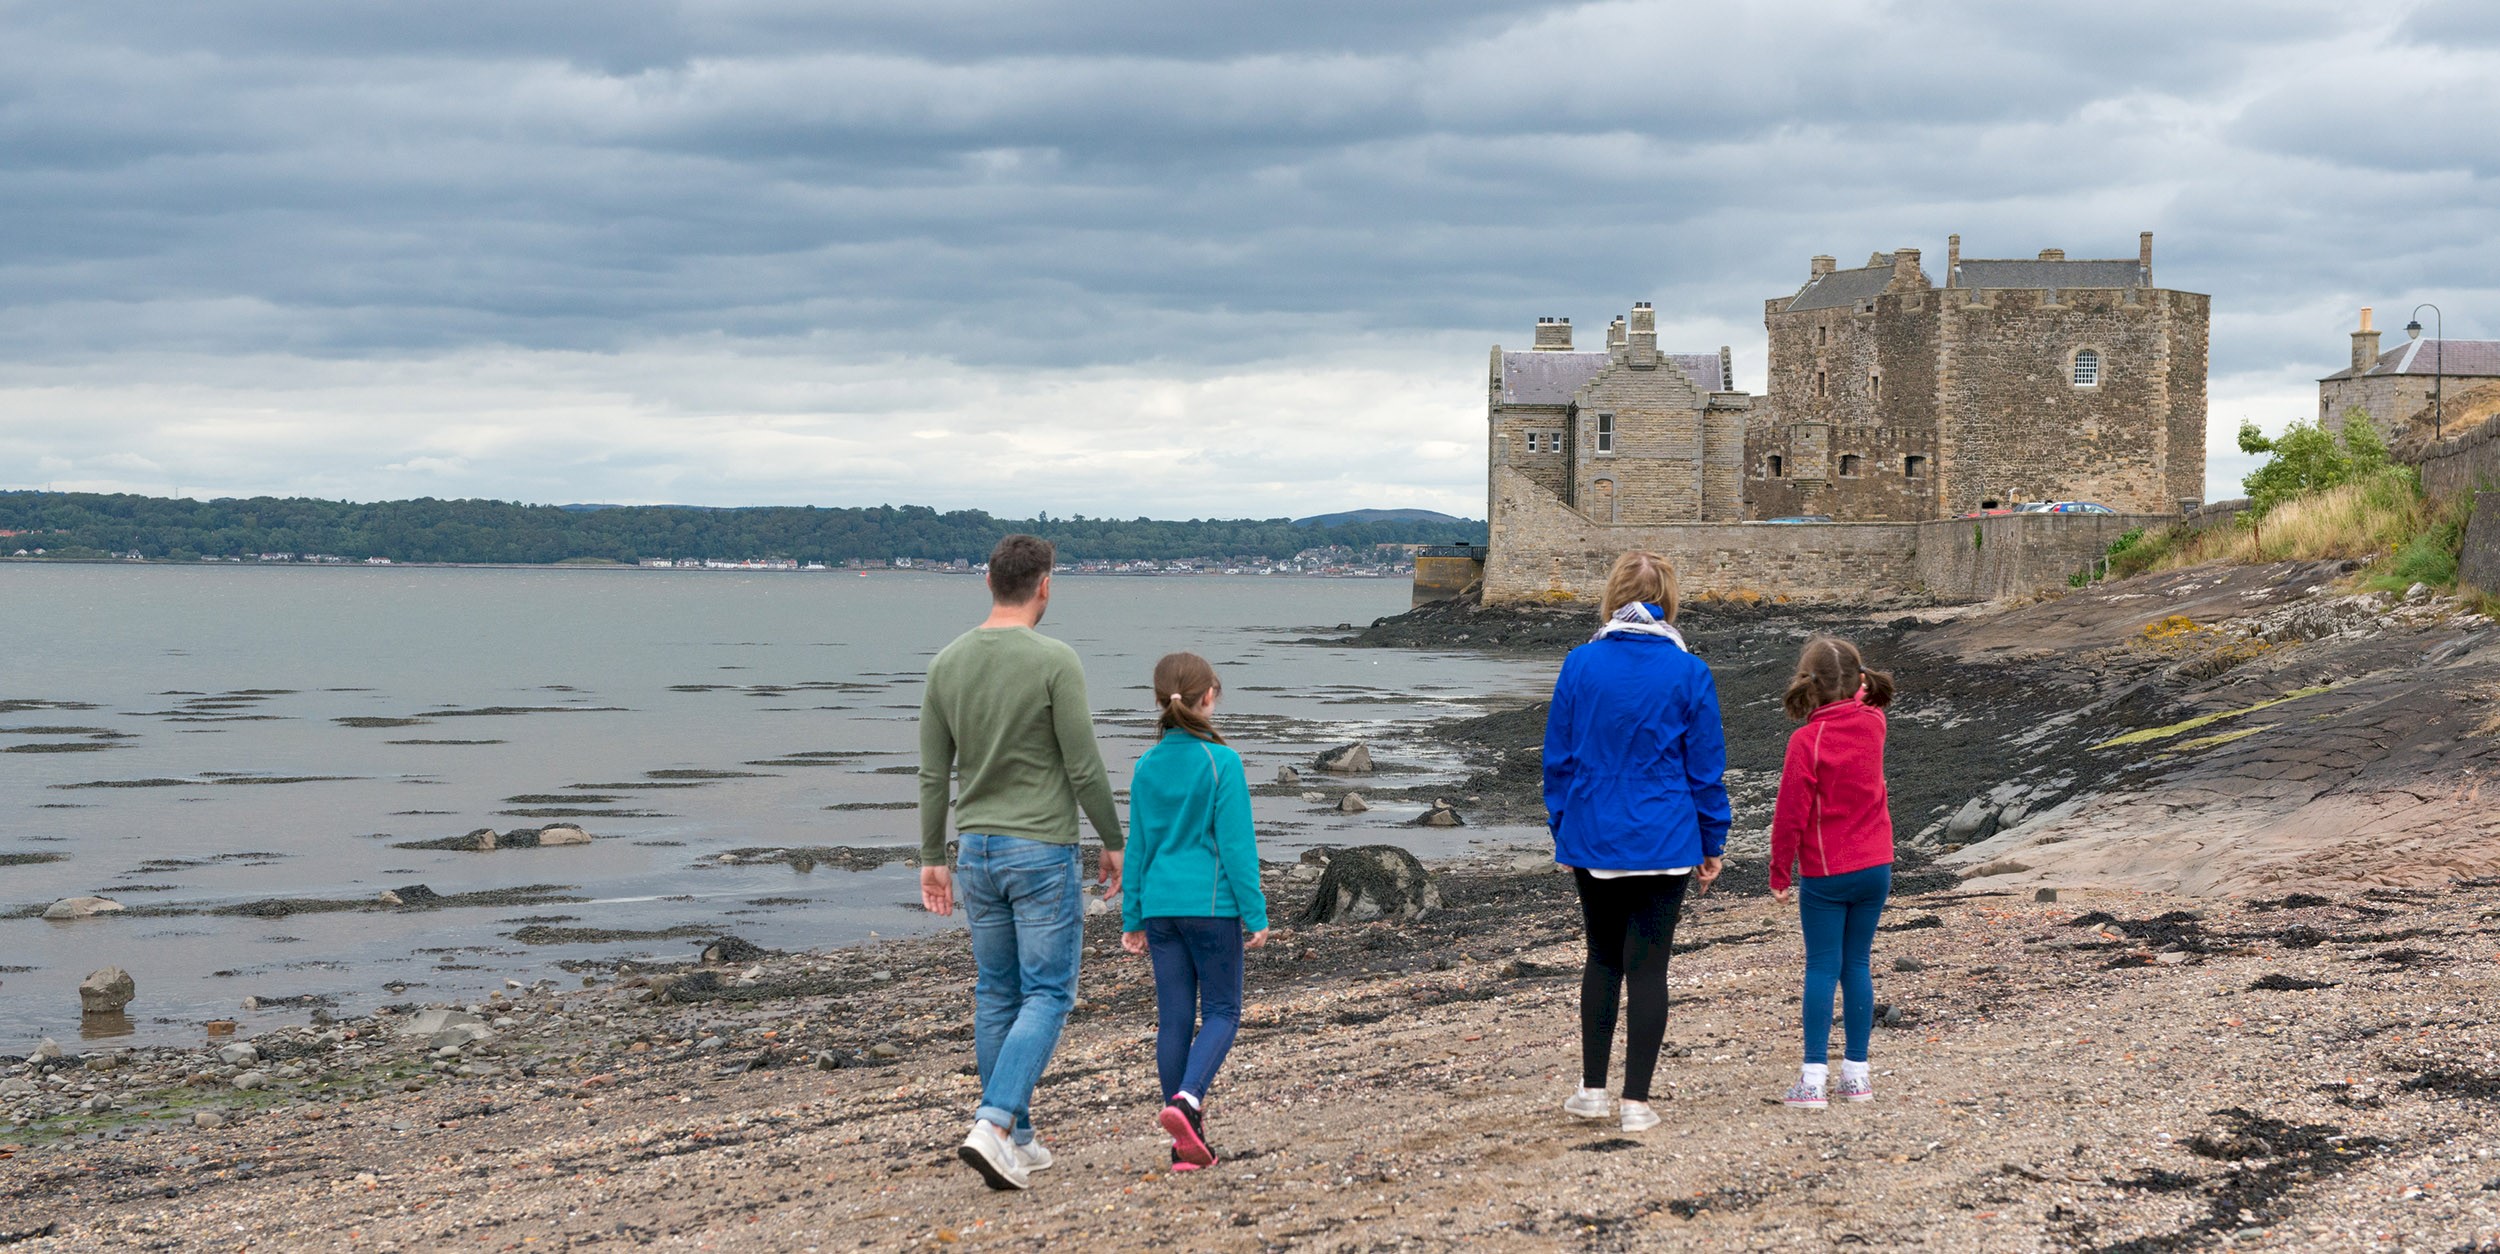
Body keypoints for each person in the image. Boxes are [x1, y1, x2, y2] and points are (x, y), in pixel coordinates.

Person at [918, 534, 1126, 1190]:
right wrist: (1114, 838)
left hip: (975, 849)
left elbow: (932, 773)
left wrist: (931, 855)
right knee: (1048, 992)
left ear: (988, 582)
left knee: (997, 992)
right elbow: (1083, 762)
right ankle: (996, 1123)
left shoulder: (947, 663)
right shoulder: (1054, 659)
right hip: (1039, 848)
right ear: (1044, 586)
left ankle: (1022, 1135)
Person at [1541, 550, 1729, 1134]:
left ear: (1614, 596)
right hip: (1668, 837)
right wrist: (1711, 838)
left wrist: (1563, 823)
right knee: (1649, 970)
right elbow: (1705, 769)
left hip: (1595, 832)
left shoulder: (1580, 664)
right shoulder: (1690, 671)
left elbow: (1559, 760)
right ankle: (1636, 1104)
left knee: (1602, 958)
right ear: (1666, 600)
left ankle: (1593, 1092)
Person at [1118, 652, 1269, 1170]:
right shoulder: (1220, 762)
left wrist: (1132, 918)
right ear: (1210, 697)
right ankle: (1187, 1100)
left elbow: (1137, 847)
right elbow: (1236, 847)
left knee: (1174, 1021)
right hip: (1210, 907)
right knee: (1224, 1011)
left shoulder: (1146, 765)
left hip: (1159, 910)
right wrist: (1255, 913)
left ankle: (1186, 1146)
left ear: (1161, 700)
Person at [1768, 635, 1897, 1111]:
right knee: (1857, 964)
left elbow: (1790, 815)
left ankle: (1813, 1079)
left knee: (1823, 967)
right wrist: (1857, 685)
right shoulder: (1875, 723)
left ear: (1810, 684)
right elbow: (1861, 701)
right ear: (1860, 683)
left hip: (1827, 872)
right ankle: (1857, 1076)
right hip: (1876, 865)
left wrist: (1780, 873)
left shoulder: (1807, 740)